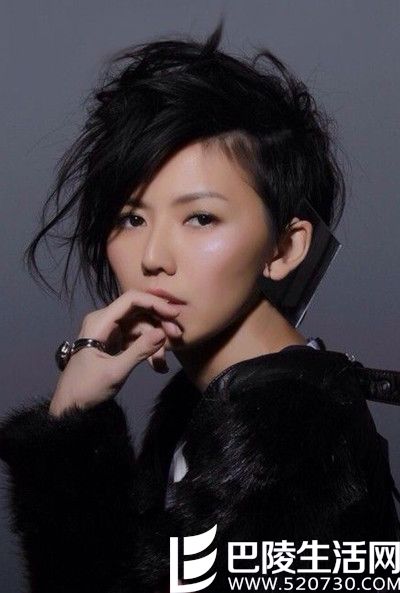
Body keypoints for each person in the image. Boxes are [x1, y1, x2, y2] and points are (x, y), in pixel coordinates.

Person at [0, 20, 399, 593]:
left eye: (201, 218)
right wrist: (72, 416)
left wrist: (69, 430)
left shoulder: (293, 438)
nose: (153, 257)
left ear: (285, 248)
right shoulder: (221, 403)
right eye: (131, 218)